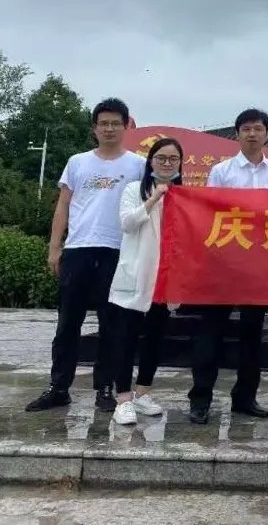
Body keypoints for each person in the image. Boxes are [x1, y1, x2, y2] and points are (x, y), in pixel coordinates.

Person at [26, 98, 145, 413]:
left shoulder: (138, 165)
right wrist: (55, 246)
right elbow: (63, 205)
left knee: (111, 325)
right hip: (78, 249)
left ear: (126, 126)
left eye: (115, 123)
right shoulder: (78, 162)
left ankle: (105, 388)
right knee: (68, 323)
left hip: (118, 251)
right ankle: (58, 387)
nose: (109, 129)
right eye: (103, 123)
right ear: (94, 128)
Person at [188, 108, 268, 425]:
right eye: (246, 128)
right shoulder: (221, 171)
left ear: (267, 134)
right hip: (223, 262)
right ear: (237, 134)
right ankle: (200, 399)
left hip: (258, 264)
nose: (252, 134)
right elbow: (211, 212)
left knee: (252, 333)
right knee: (211, 331)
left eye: (258, 128)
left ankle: (245, 397)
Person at [107, 138, 182, 425]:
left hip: (165, 280)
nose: (167, 163)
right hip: (135, 276)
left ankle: (142, 394)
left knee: (154, 339)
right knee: (125, 339)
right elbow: (127, 223)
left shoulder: (184, 195)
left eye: (173, 159)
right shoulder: (133, 190)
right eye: (161, 158)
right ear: (151, 161)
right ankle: (123, 399)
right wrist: (153, 199)